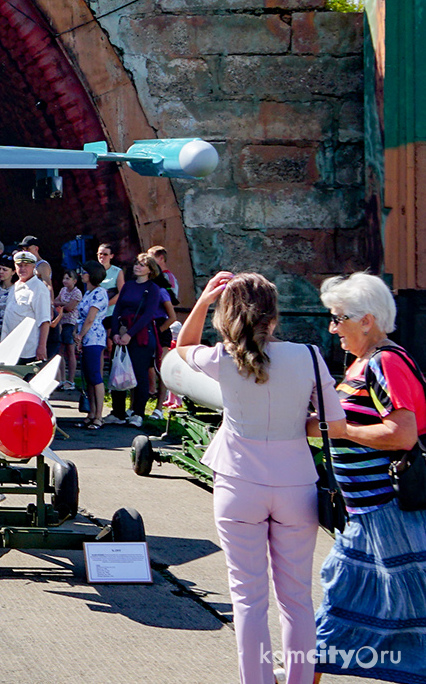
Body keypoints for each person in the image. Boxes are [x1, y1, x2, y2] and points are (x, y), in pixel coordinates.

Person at [169, 271, 344, 684]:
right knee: (297, 598)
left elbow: (182, 348)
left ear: (229, 313)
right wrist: (295, 424)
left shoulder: (220, 358)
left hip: (237, 481)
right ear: (274, 315)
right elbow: (333, 422)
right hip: (295, 482)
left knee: (247, 599)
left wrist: (204, 300)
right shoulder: (309, 356)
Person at [315, 272, 426, 679]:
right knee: (395, 612)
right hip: (368, 511)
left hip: (388, 513)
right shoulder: (363, 363)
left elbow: (402, 433)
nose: (333, 327)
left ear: (367, 320)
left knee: (343, 598)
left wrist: (337, 429)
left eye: (338, 317)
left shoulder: (386, 363)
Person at [110, 255, 175, 425]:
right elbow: (117, 309)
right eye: (136, 263)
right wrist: (116, 332)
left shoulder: (152, 288)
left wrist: (129, 334)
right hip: (122, 331)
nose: (137, 267)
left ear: (150, 270)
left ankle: (138, 413)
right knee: (117, 371)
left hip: (141, 335)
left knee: (140, 374)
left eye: (142, 265)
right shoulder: (128, 286)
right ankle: (118, 412)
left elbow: (148, 315)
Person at [1, 251, 53, 362]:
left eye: (26, 265)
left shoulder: (39, 289)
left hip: (28, 350)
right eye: (19, 265)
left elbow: (44, 320)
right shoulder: (15, 286)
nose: (23, 269)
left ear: (34, 267)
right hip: (10, 346)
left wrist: (41, 347)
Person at [77, 277, 112, 428]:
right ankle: (91, 412)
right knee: (88, 375)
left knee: (95, 374)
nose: (82, 275)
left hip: (93, 336)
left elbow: (91, 318)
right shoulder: (88, 293)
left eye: (85, 272)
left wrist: (80, 335)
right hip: (85, 336)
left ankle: (99, 415)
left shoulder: (99, 292)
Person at [55, 269, 85, 385]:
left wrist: (61, 305)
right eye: (64, 278)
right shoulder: (63, 290)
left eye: (68, 278)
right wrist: (62, 304)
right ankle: (62, 378)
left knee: (70, 351)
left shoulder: (77, 293)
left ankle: (71, 379)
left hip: (71, 323)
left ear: (74, 281)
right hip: (61, 322)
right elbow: (55, 301)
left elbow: (69, 308)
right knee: (60, 351)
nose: (65, 281)